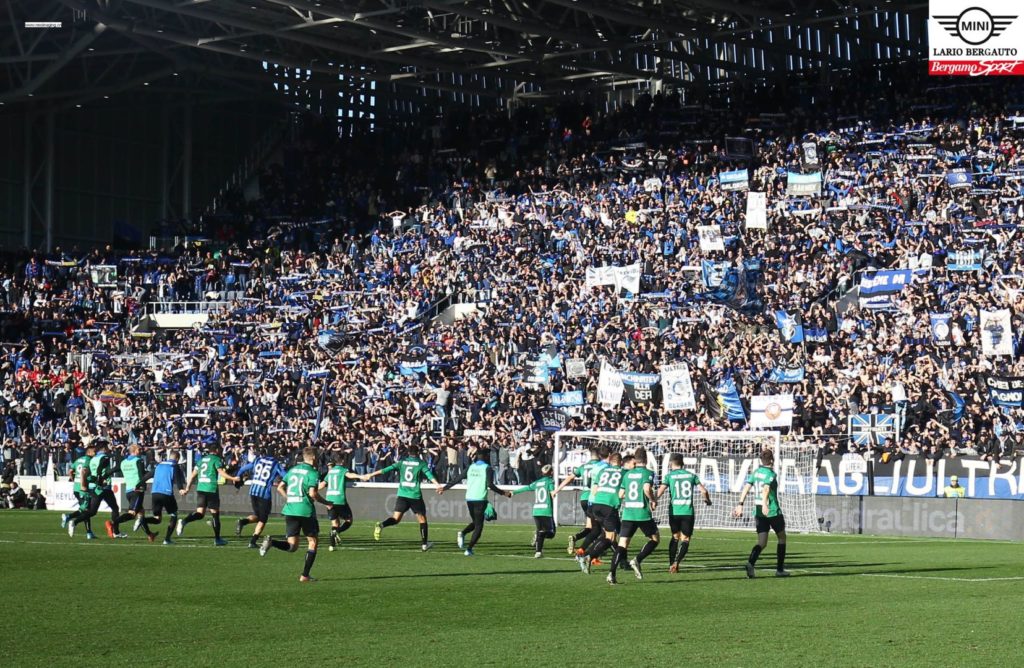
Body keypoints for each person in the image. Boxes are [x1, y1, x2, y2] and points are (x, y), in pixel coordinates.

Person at [259, 446, 331, 582]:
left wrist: (289, 498)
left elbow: (280, 487)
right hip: (305, 511)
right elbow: (313, 493)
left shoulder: (292, 470)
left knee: (292, 546)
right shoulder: (312, 473)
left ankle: (272, 542)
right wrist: (327, 502)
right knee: (313, 542)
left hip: (290, 509)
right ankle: (304, 575)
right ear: (314, 458)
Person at [364, 444, 438, 551]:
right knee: (422, 520)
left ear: (408, 453)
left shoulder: (402, 462)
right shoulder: (421, 463)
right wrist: (437, 485)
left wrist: (370, 475)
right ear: (417, 453)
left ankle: (381, 525)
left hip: (402, 495)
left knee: (395, 519)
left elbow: (386, 469)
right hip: (414, 496)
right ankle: (424, 544)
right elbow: (429, 475)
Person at [440, 448, 509, 556]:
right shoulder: (488, 468)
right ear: (486, 457)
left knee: (476, 522)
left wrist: (444, 488)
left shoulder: (470, 467)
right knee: (479, 526)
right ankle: (469, 549)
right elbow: (490, 485)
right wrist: (503, 493)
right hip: (480, 499)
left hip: (469, 499)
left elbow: (457, 479)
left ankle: (462, 533)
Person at [732, 449, 789, 578]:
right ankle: (780, 570)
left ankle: (750, 563)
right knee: (782, 537)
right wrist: (765, 504)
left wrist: (740, 504)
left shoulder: (756, 473)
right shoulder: (771, 474)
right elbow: (766, 488)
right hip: (771, 510)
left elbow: (746, 486)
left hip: (758, 512)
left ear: (761, 459)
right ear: (772, 460)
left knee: (762, 542)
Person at [656, 453, 712, 573]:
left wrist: (653, 501)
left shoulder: (669, 476)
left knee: (675, 537)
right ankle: (677, 562)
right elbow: (703, 490)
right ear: (683, 463)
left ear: (671, 463)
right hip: (687, 512)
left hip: (674, 511)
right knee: (685, 539)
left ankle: (671, 564)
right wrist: (707, 500)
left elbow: (660, 491)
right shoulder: (691, 475)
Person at [177, 445, 240, 545]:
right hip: (211, 489)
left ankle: (184, 521)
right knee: (215, 515)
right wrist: (233, 479)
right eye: (219, 449)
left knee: (200, 514)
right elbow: (221, 473)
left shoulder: (201, 460)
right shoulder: (216, 459)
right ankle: (217, 539)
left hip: (201, 488)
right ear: (216, 450)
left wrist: (187, 488)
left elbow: (192, 475)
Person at [613, 450, 660, 584]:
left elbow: (621, 494)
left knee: (622, 545)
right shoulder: (648, 473)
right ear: (646, 459)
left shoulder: (627, 474)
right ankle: (637, 560)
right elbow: (646, 489)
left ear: (635, 459)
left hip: (628, 514)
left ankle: (612, 574)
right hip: (642, 513)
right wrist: (653, 500)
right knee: (655, 539)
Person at [552, 444, 607, 557]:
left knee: (590, 527)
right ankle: (595, 550)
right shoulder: (602, 466)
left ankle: (576, 538)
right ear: (600, 456)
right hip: (596, 498)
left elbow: (570, 478)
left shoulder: (583, 467)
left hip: (584, 498)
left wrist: (557, 490)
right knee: (601, 527)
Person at [577, 452, 623, 578]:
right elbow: (622, 493)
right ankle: (588, 555)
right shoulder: (623, 472)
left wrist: (592, 508)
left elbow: (594, 489)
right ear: (621, 462)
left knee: (603, 534)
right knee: (610, 538)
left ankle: (588, 555)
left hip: (595, 503)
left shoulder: (603, 471)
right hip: (608, 506)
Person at [234, 449, 287, 549]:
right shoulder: (275, 463)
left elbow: (243, 468)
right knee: (263, 519)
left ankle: (243, 522)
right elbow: (286, 475)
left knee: (258, 516)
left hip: (253, 491)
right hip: (264, 494)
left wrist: (237, 476)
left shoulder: (258, 460)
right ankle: (253, 541)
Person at [77, 439, 125, 539]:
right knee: (115, 508)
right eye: (107, 447)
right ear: (103, 448)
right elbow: (108, 468)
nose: (108, 449)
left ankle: (74, 521)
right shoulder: (104, 457)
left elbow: (91, 472)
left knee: (92, 511)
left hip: (94, 486)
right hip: (104, 486)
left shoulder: (93, 459)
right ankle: (116, 531)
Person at [318, 453, 362, 551]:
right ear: (342, 461)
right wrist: (361, 476)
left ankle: (332, 546)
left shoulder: (330, 472)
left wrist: (312, 491)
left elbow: (323, 484)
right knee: (349, 520)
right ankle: (337, 531)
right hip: (339, 500)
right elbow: (350, 475)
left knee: (334, 523)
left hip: (329, 500)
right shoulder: (343, 470)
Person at [510, 464, 556, 558]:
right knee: (551, 533)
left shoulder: (537, 483)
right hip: (546, 510)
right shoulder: (550, 482)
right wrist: (554, 493)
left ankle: (538, 552)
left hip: (536, 511)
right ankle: (538, 537)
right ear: (551, 472)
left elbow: (526, 488)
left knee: (541, 531)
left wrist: (513, 492)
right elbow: (552, 493)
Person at [117, 445, 158, 542]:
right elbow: (142, 475)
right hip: (137, 490)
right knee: (132, 513)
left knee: (141, 512)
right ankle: (113, 523)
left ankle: (150, 534)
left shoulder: (124, 462)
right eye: (139, 449)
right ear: (134, 451)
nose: (141, 450)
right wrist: (152, 474)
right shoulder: (138, 460)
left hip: (128, 490)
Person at [146, 450, 186, 545]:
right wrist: (180, 488)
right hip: (166, 493)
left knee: (157, 518)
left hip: (155, 493)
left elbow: (148, 475)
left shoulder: (159, 465)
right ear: (177, 458)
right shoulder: (174, 465)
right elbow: (178, 478)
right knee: (174, 514)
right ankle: (167, 539)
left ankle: (142, 520)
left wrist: (139, 484)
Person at [62, 443, 97, 539]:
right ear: (89, 452)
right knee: (86, 510)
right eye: (94, 451)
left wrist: (73, 479)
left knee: (86, 510)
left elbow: (70, 471)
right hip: (82, 488)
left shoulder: (78, 460)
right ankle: (69, 518)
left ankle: (88, 532)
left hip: (76, 488)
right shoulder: (89, 461)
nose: (96, 452)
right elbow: (84, 472)